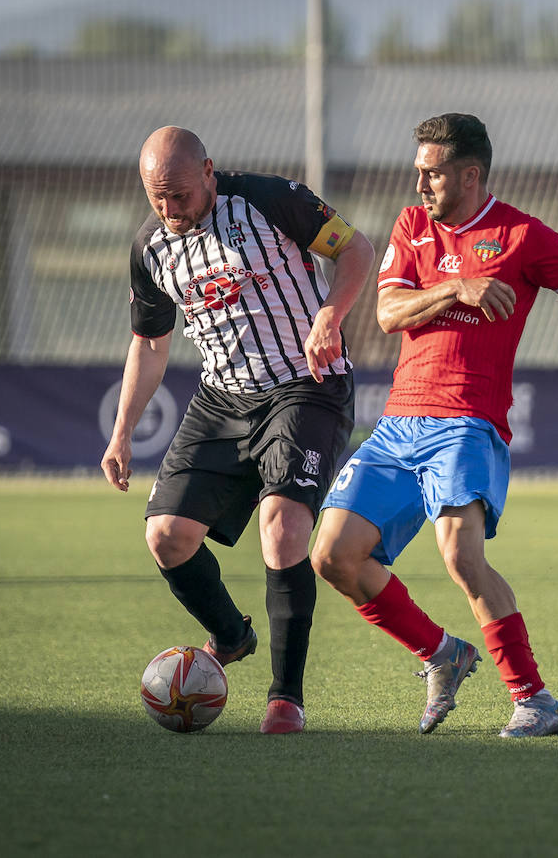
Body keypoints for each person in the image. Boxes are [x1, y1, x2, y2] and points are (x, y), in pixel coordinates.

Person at [311, 113, 558, 738]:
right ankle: (443, 653)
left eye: (432, 174)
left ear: (470, 173)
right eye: (417, 173)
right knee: (332, 556)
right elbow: (385, 314)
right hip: (398, 424)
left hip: (467, 421)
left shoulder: (525, 235)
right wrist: (456, 287)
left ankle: (534, 699)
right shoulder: (412, 227)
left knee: (461, 556)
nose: (420, 186)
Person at [101, 126, 374, 734]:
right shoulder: (150, 248)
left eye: (180, 194)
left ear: (208, 172)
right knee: (167, 537)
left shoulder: (272, 199)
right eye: (157, 197)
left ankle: (286, 699)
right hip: (221, 399)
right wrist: (121, 435)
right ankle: (231, 636)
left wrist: (331, 313)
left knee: (284, 528)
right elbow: (149, 341)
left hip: (306, 386)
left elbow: (357, 250)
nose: (170, 209)